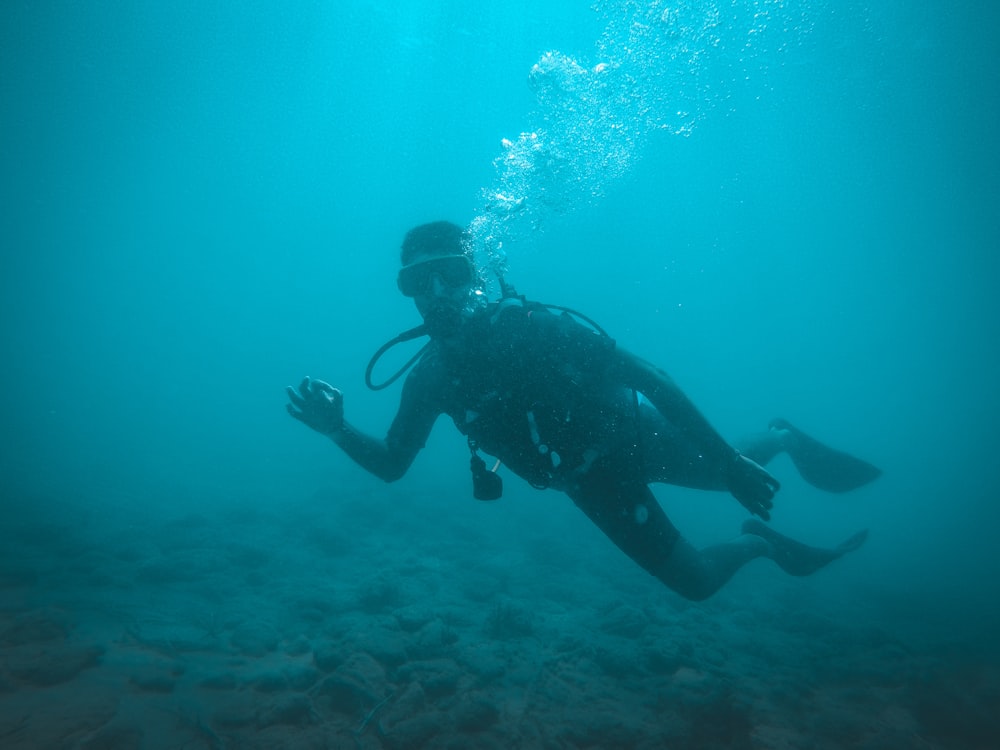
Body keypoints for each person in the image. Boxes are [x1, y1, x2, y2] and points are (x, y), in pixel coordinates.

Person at [286, 221, 880, 601]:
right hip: (588, 483)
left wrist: (726, 461)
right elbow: (393, 464)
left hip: (639, 436)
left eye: (451, 274)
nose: (437, 294)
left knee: (736, 471)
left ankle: (781, 436)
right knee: (695, 582)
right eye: (420, 281)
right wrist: (337, 430)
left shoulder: (534, 327)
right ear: (408, 290)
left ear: (474, 279)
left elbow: (651, 377)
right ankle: (767, 545)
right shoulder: (430, 379)